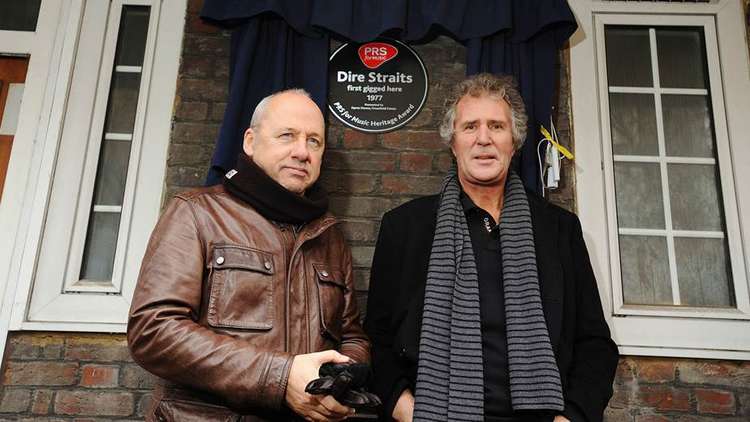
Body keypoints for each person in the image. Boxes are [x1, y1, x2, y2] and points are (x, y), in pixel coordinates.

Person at [364, 74, 618, 422]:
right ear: (452, 143)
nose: (483, 139)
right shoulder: (405, 227)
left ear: (513, 142)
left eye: (496, 126)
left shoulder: (559, 229)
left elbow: (594, 344)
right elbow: (376, 340)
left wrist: (570, 418)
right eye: (470, 127)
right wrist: (408, 412)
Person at [128, 89, 369, 422]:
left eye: (314, 141)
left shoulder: (330, 237)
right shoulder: (196, 214)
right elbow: (153, 331)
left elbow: (352, 336)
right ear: (250, 141)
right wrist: (280, 377)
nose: (302, 152)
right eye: (287, 136)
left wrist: (340, 379)